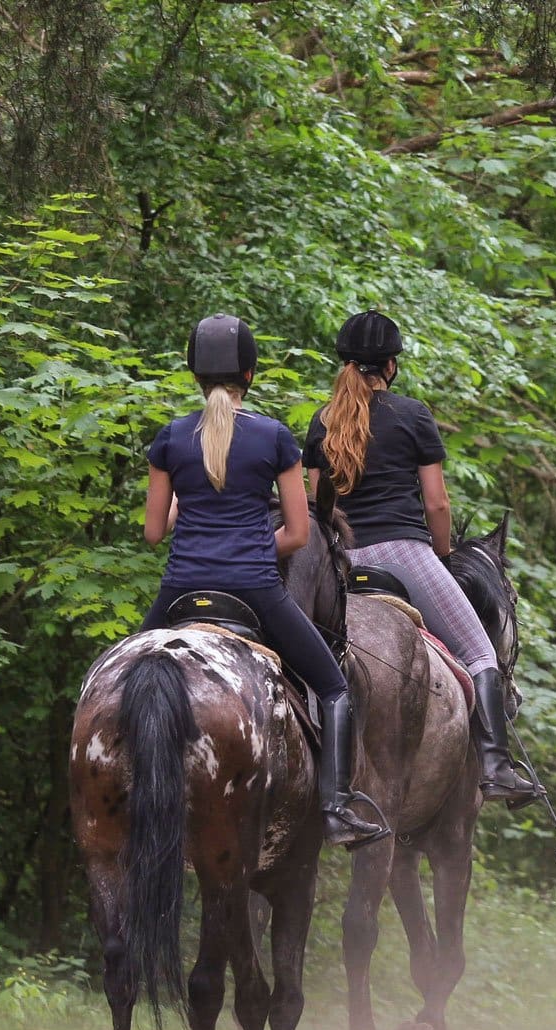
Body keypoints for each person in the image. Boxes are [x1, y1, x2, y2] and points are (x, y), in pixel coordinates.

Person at [141, 313, 389, 846]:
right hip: (254, 589)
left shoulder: (169, 439)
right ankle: (337, 808)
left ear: (194, 375)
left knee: (119, 678)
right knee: (334, 687)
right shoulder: (274, 437)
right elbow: (299, 535)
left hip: (179, 589)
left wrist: (193, 506)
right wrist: (250, 546)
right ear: (249, 375)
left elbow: (154, 533)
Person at [302, 310, 544, 807]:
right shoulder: (412, 414)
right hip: (403, 552)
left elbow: (319, 509)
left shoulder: (322, 421)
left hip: (342, 562)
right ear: (390, 365)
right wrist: (440, 554)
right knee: (479, 653)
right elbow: (437, 503)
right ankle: (497, 768)